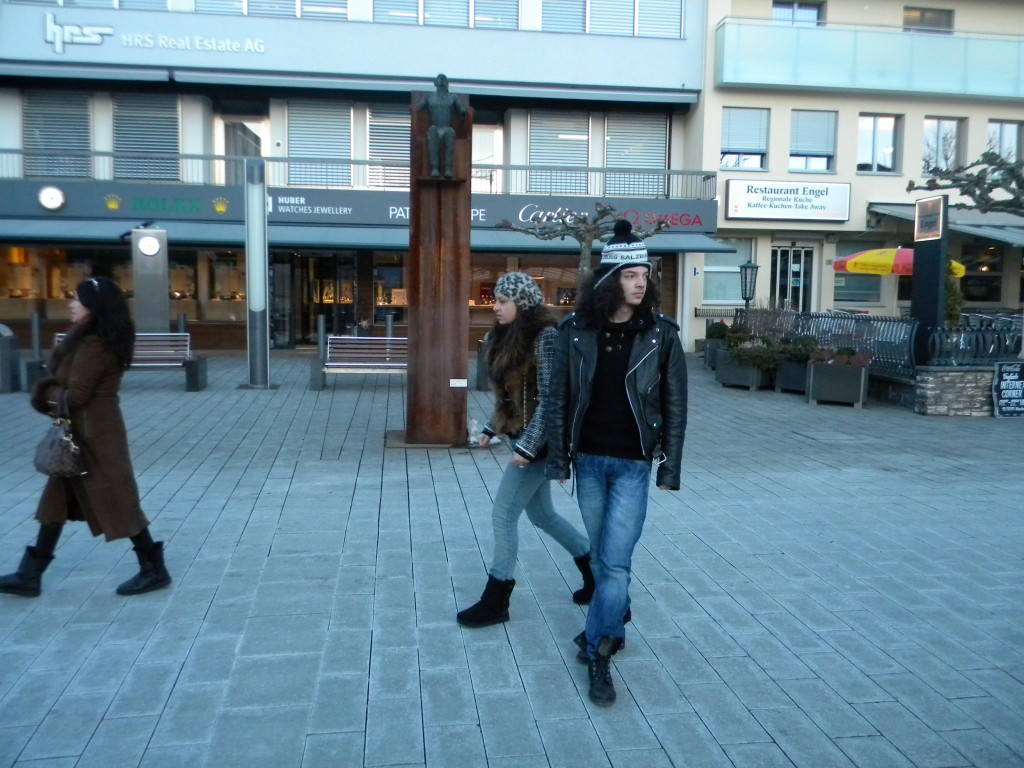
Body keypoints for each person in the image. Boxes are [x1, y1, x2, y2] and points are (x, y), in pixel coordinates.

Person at [547, 220, 687, 706]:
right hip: (588, 461)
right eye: (631, 275)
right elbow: (558, 399)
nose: (640, 283)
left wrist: (670, 468)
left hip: (633, 465)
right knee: (602, 558)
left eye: (644, 275)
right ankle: (614, 620)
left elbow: (675, 404)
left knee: (615, 562)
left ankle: (597, 649)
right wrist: (558, 460)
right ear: (609, 281)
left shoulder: (661, 334)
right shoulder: (575, 332)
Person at [0, 277, 171, 598]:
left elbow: (76, 395)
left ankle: (154, 568)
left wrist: (44, 391)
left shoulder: (95, 344)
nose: (71, 304)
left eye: (77, 299)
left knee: (118, 501)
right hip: (80, 434)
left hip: (95, 436)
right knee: (55, 503)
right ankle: (30, 574)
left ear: (93, 306)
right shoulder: (90, 338)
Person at [456, 272, 594, 628]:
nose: (496, 307)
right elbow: (511, 394)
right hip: (522, 438)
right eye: (496, 300)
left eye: (503, 301)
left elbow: (550, 398)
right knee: (543, 515)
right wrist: (492, 426)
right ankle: (594, 569)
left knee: (503, 514)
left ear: (523, 303)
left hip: (539, 443)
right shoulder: (507, 336)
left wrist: (529, 448)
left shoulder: (545, 337)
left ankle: (496, 599)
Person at [418, 73, 466, 178]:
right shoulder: (429, 97)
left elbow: (462, 109)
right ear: (435, 83)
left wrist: (463, 113)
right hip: (434, 126)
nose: (442, 81)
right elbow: (418, 108)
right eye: (439, 79)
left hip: (447, 127)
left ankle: (448, 168)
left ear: (447, 83)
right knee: (432, 132)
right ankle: (434, 168)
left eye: (444, 80)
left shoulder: (453, 97)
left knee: (450, 134)